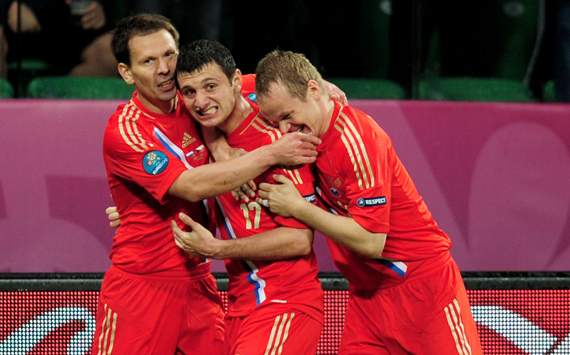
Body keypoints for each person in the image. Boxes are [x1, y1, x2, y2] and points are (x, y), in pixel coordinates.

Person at [94, 15, 320, 354]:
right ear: (127, 73)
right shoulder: (126, 130)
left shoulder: (194, 100)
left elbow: (241, 80)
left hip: (201, 283)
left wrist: (321, 86)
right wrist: (268, 155)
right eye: (148, 61)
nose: (164, 68)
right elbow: (190, 186)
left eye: (169, 54)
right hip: (142, 286)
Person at [255, 50, 483, 355]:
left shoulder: (357, 139)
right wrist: (323, 83)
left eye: (287, 116)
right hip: (367, 297)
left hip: (423, 289)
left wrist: (298, 208)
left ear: (311, 91)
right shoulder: (306, 127)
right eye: (275, 121)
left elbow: (371, 241)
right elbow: (232, 84)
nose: (283, 130)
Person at [169, 39, 323, 355]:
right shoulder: (198, 134)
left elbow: (299, 240)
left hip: (285, 302)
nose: (200, 101)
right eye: (190, 92)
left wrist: (218, 249)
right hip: (240, 306)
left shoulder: (281, 140)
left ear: (237, 81)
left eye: (211, 86)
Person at [0, 0, 116, 77]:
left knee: (114, 51)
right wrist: (9, 6)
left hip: (69, 31)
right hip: (13, 32)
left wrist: (101, 10)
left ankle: (61, 101)